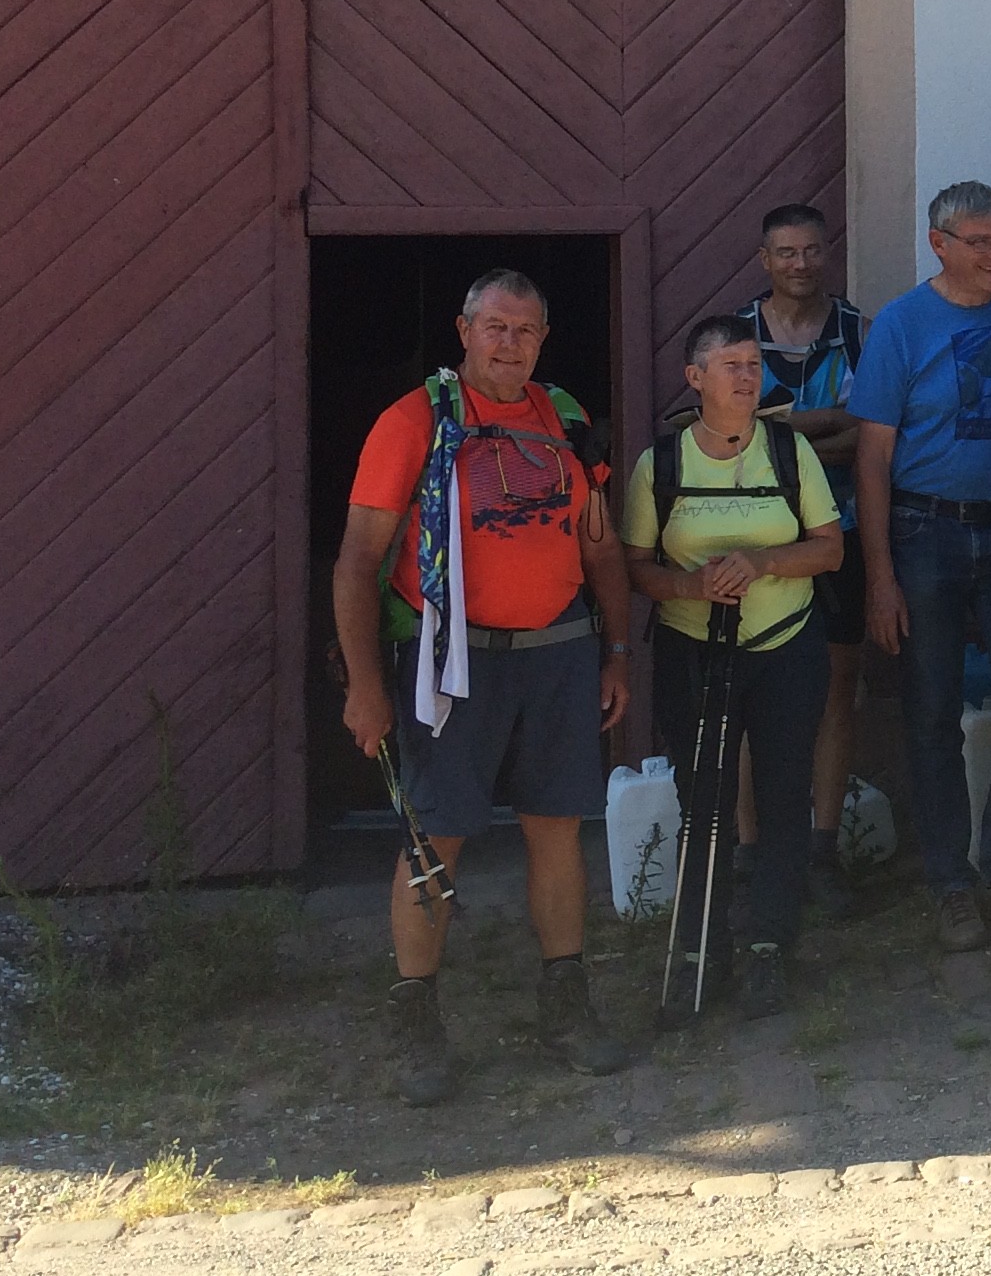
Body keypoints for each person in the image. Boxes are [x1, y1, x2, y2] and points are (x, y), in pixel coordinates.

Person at [332, 269, 635, 1105]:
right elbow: (359, 560)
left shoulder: (566, 419)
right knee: (437, 836)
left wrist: (617, 652)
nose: (509, 343)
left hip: (559, 653)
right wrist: (365, 684)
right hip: (450, 659)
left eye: (526, 330)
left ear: (543, 339)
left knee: (556, 828)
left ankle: (566, 1007)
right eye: (494, 327)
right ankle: (414, 1022)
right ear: (463, 333)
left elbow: (601, 547)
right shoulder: (413, 423)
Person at [849, 182, 991, 954]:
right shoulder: (902, 326)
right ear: (938, 242)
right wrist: (879, 577)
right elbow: (871, 461)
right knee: (931, 712)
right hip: (924, 535)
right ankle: (949, 882)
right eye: (981, 242)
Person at [620, 315, 844, 1019]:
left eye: (753, 365)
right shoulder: (660, 465)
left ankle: (770, 947)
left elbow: (830, 549)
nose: (748, 377)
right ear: (696, 379)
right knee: (704, 804)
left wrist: (763, 563)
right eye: (731, 365)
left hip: (787, 647)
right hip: (694, 653)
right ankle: (703, 948)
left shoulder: (787, 451)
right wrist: (692, 586)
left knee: (783, 797)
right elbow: (637, 567)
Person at [743, 203, 871, 912]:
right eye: (786, 253)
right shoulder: (734, 334)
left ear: (828, 254)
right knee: (744, 687)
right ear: (765, 259)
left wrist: (781, 432)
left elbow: (873, 432)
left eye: (812, 251)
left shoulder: (861, 333)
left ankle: (822, 853)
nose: (800, 264)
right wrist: (826, 427)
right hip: (750, 539)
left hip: (843, 535)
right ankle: (748, 852)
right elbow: (713, 431)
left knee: (836, 687)